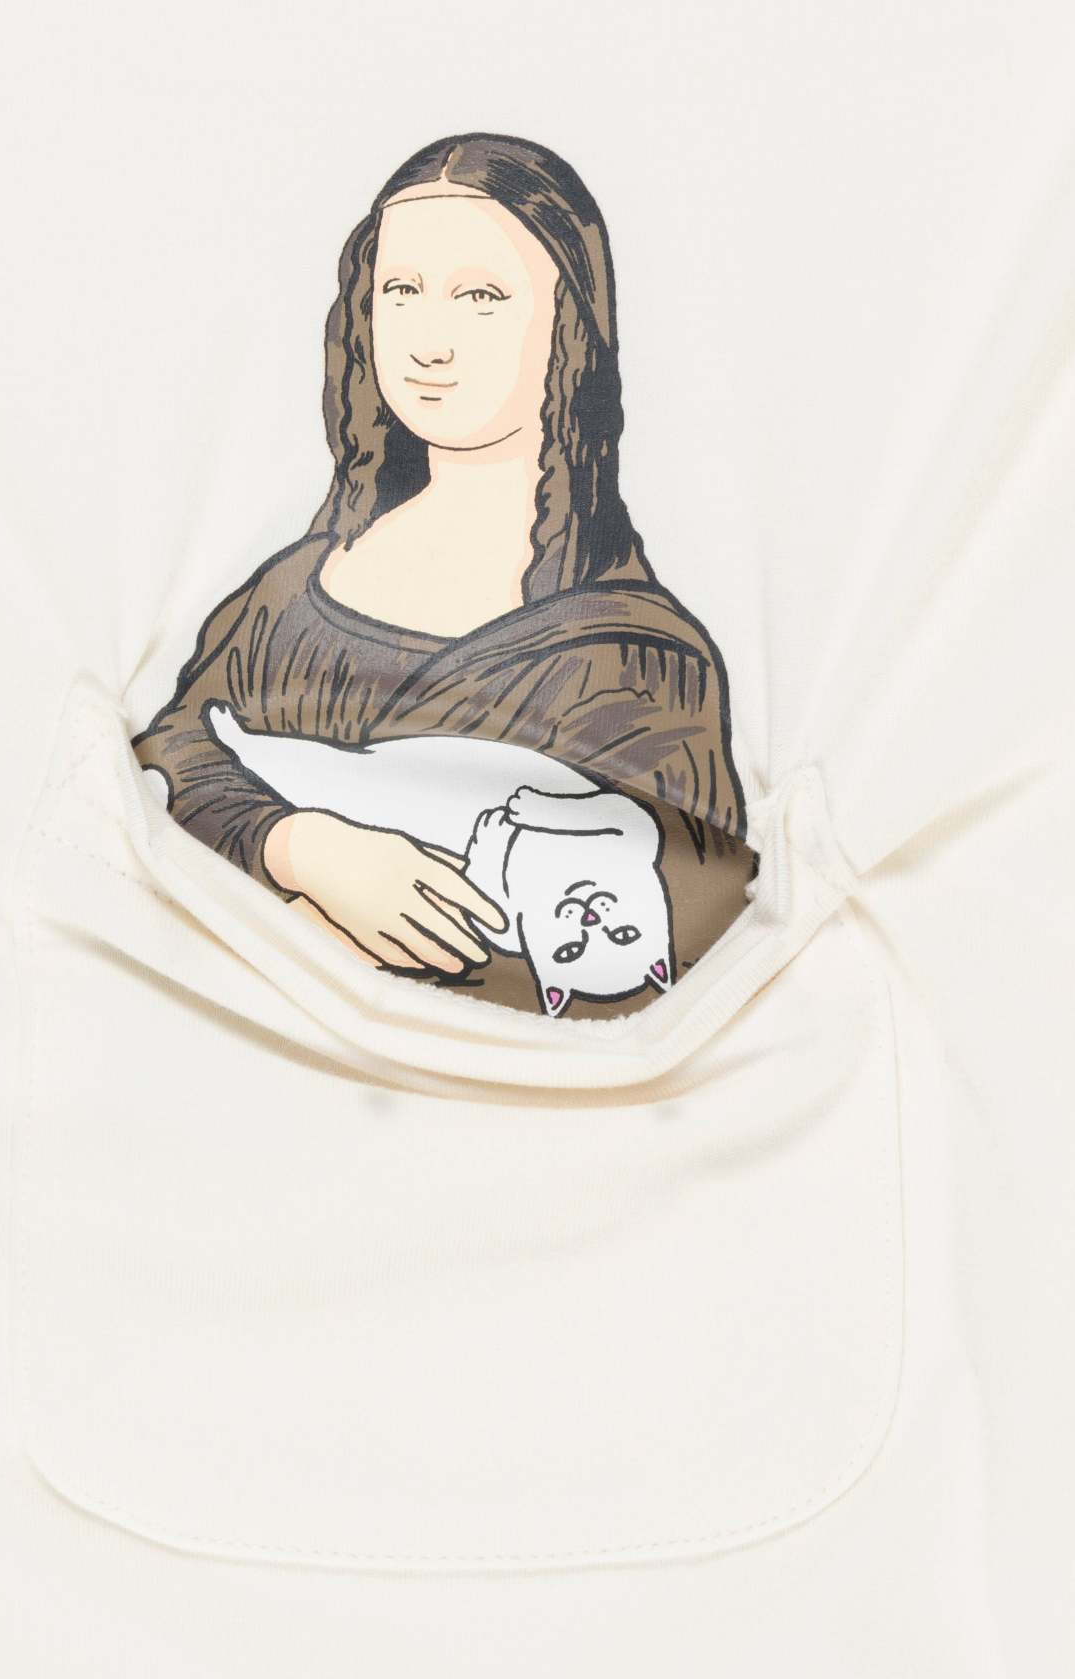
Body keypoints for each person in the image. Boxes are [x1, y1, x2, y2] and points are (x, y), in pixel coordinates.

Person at [131, 132, 756, 1019]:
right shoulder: (293, 587)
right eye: (401, 290)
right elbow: (171, 755)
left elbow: (690, 930)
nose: (430, 340)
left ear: (569, 324)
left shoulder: (642, 656)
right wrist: (300, 851)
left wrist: (341, 945)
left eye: (481, 297)